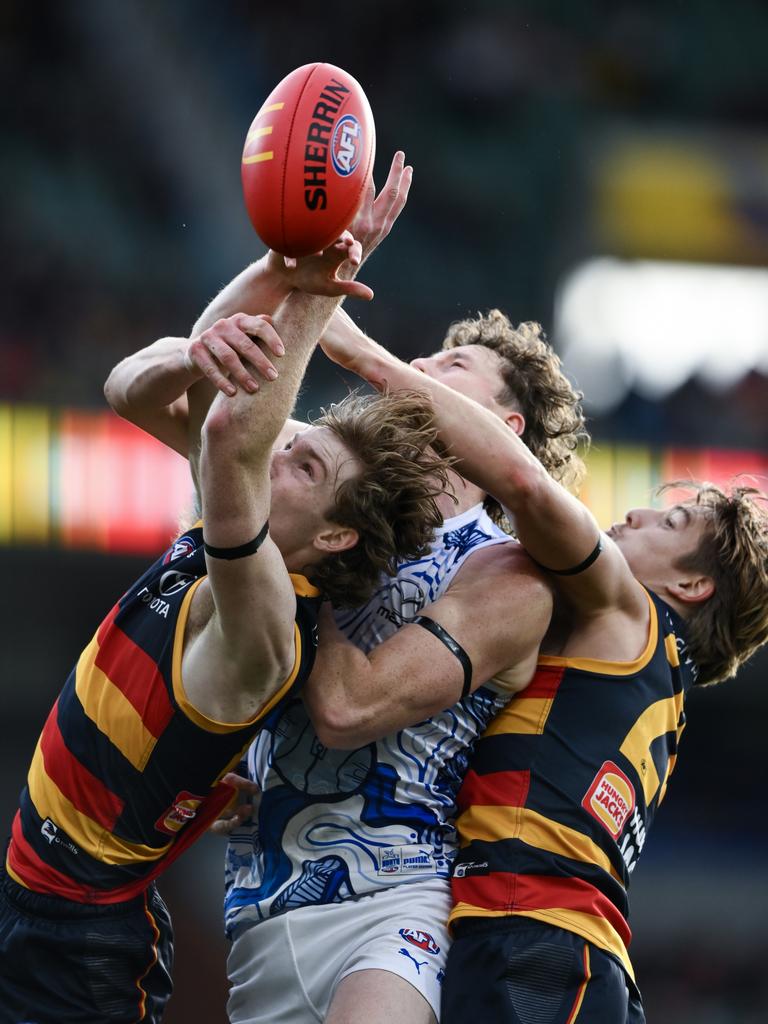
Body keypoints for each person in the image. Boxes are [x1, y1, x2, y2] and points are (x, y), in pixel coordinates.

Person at [111, 192, 588, 1021]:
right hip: (260, 901)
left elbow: (346, 710)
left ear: (503, 425)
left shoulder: (507, 570)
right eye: (427, 359)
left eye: (451, 369)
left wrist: (309, 583)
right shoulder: (321, 475)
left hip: (394, 905)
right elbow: (138, 394)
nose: (421, 372)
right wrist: (211, 347)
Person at [0, 211, 452, 1022]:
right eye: (289, 442)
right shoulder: (225, 523)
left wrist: (315, 287)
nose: (281, 449)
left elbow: (232, 432)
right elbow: (128, 387)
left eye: (304, 462)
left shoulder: (268, 624)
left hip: (83, 942)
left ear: (337, 534)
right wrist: (261, 285)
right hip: (32, 889)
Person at [316, 324, 768, 1023]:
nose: (639, 512)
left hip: (537, 945)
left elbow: (524, 481)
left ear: (692, 587)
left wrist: (362, 355)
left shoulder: (629, 615)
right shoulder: (634, 665)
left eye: (670, 523)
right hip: (547, 947)